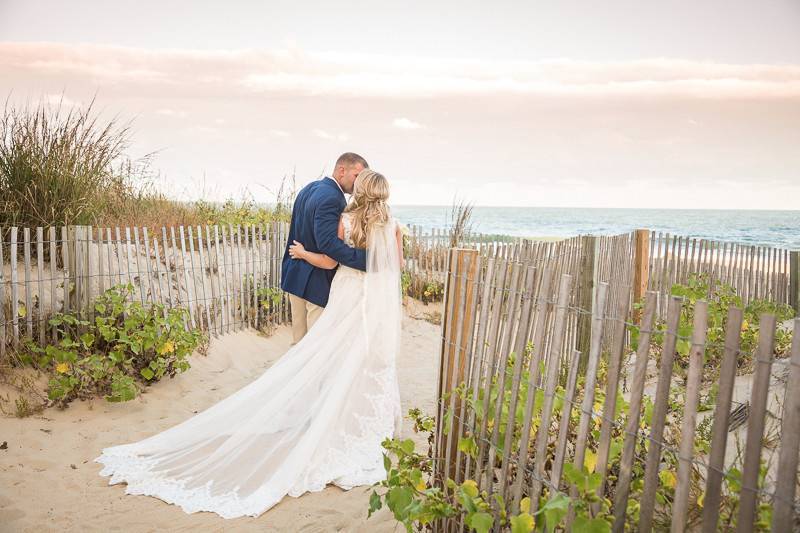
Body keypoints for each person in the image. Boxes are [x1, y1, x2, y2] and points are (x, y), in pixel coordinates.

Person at [94, 169, 404, 519]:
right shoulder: (393, 225)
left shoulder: (345, 220)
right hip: (372, 299)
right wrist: (375, 265)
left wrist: (321, 258)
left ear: (360, 190)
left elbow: (333, 257)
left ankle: (323, 413)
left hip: (346, 293)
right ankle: (354, 424)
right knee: (363, 358)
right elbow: (397, 267)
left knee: (325, 352)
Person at [281, 152, 368, 344]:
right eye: (357, 176)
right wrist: (368, 260)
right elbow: (328, 244)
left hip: (295, 274)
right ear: (341, 170)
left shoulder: (309, 189)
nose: (359, 183)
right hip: (316, 281)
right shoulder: (333, 198)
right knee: (314, 345)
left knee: (298, 343)